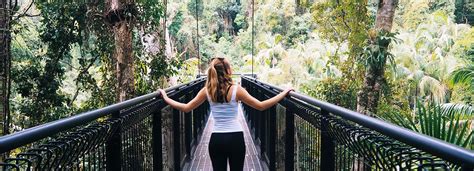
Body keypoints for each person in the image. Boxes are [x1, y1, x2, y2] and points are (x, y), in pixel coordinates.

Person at [158, 57, 293, 171]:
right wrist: (283, 93)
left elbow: (186, 108)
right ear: (228, 71)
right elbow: (261, 106)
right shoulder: (236, 90)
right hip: (236, 139)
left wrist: (166, 98)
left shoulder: (207, 91)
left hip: (216, 140)